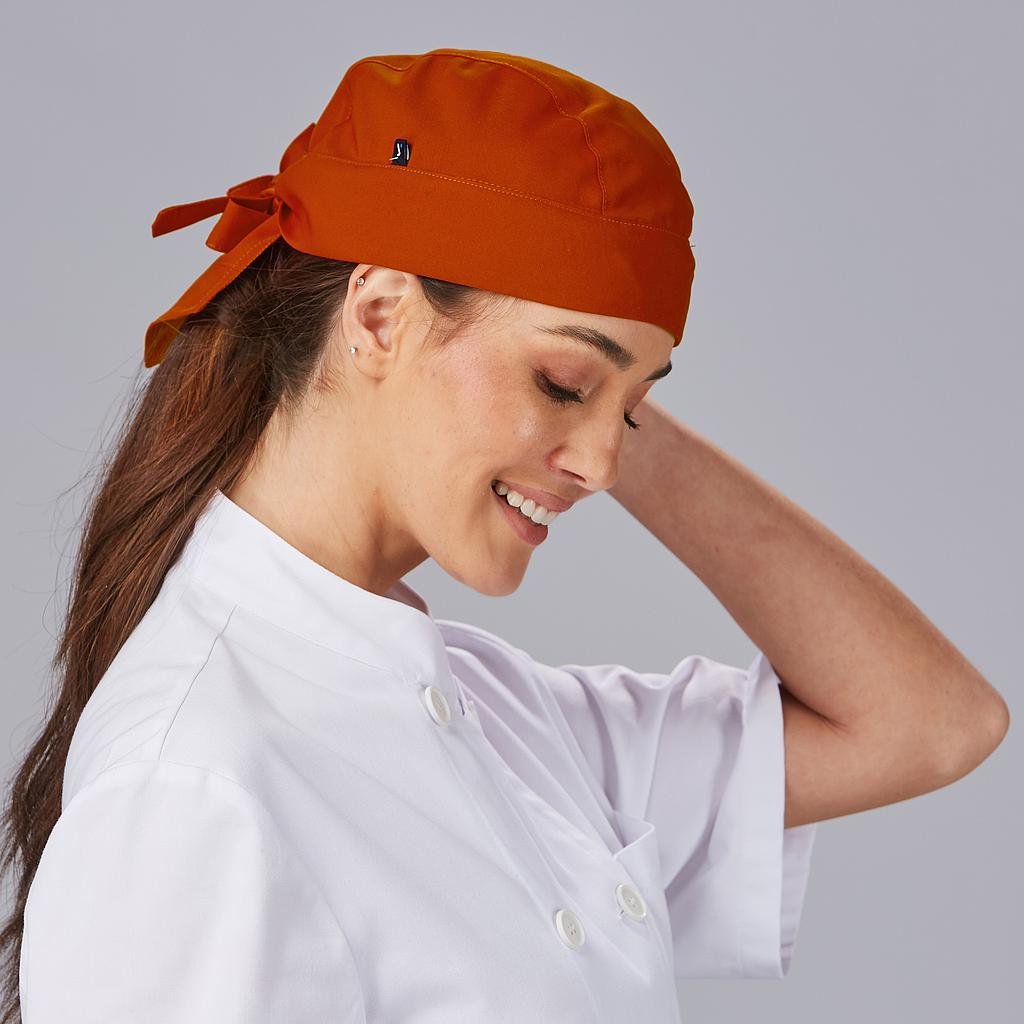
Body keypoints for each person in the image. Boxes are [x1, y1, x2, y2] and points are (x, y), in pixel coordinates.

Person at [2, 47, 1008, 1024]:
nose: (605, 465)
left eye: (633, 408)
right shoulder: (192, 787)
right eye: (562, 381)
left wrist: (596, 376)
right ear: (380, 316)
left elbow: (932, 723)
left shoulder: (505, 721)